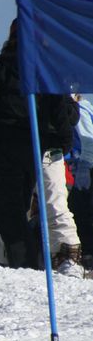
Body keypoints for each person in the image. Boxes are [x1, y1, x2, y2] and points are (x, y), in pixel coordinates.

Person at [0, 20, 81, 273]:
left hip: (27, 145)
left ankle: (65, 257)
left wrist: (63, 139)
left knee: (44, 204)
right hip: (22, 145)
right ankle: (15, 259)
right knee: (15, 209)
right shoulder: (14, 68)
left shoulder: (31, 69)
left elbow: (63, 109)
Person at [68, 94, 93, 273]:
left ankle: (89, 254)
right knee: (78, 209)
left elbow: (88, 140)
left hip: (88, 169)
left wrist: (86, 165)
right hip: (81, 168)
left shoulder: (79, 110)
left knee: (80, 210)